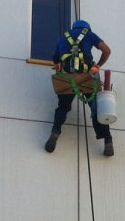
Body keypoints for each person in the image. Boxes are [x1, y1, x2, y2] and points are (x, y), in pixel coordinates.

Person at [45, 20, 114, 156]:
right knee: (96, 109)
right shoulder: (89, 34)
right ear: (87, 28)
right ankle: (107, 141)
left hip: (68, 78)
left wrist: (59, 64)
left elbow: (56, 59)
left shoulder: (63, 38)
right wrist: (98, 65)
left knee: (63, 107)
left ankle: (55, 131)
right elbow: (107, 50)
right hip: (87, 76)